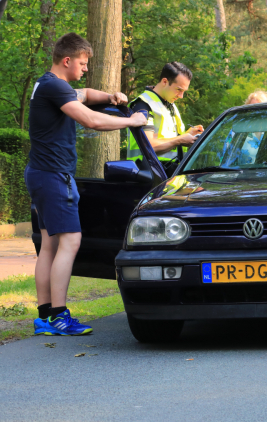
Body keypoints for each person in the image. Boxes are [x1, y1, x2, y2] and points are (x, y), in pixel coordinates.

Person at [26, 33, 147, 335]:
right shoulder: (55, 87)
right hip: (54, 176)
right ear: (66, 61)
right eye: (81, 63)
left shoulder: (49, 85)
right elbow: (91, 120)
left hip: (41, 174)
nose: (84, 69)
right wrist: (133, 121)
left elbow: (87, 94)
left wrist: (110, 97)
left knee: (50, 246)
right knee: (70, 241)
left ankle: (45, 317)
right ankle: (58, 316)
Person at [127, 62, 203, 174]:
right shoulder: (143, 105)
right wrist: (181, 140)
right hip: (147, 175)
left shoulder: (169, 105)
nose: (181, 96)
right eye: (179, 90)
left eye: (183, 92)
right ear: (164, 81)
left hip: (167, 173)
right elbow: (148, 145)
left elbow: (169, 140)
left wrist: (187, 135)